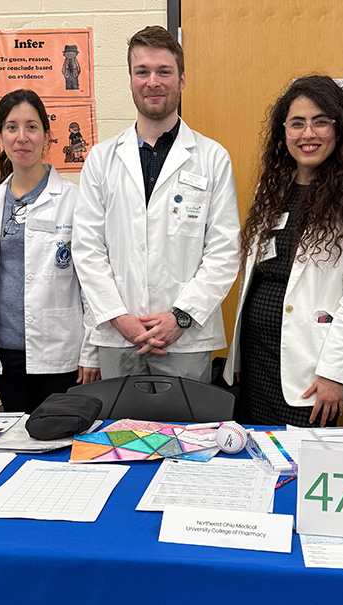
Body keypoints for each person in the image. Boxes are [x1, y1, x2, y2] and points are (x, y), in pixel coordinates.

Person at [73, 25, 240, 383]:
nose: (153, 81)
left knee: (185, 436)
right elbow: (87, 249)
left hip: (185, 337)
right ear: (130, 80)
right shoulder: (101, 159)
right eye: (142, 72)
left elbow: (224, 251)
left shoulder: (212, 158)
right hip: (119, 337)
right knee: (118, 435)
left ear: (181, 80)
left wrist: (180, 317)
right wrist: (120, 318)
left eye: (164, 72)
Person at [224, 75, 343, 427]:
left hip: (310, 366)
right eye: (297, 123)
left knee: (298, 466)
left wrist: (334, 373)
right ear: (284, 131)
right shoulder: (272, 189)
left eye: (320, 122)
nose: (307, 133)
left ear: (340, 129)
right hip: (256, 358)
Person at [0, 89, 99, 412]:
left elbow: (91, 280)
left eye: (32, 127)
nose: (22, 137)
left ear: (47, 135)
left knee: (59, 439)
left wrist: (90, 351)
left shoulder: (73, 200)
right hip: (6, 348)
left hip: (61, 349)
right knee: (16, 437)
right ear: (0, 135)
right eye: (12, 127)